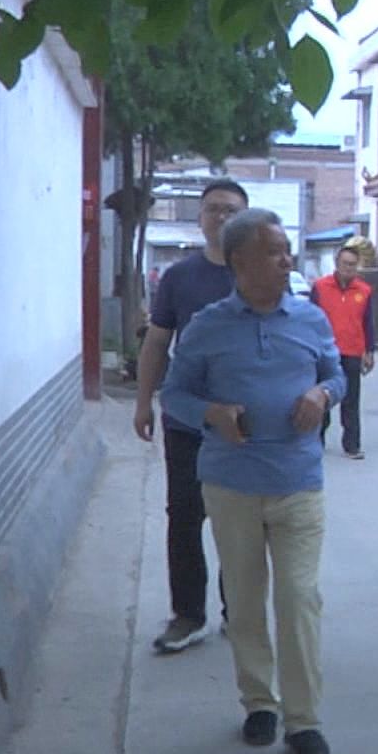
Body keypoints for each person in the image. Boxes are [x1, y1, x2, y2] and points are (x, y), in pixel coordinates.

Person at [161, 208, 345, 754]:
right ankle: (259, 702)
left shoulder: (310, 319)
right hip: (233, 484)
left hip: (298, 482)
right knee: (243, 600)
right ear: (239, 259)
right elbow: (174, 394)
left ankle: (304, 719)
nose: (287, 259)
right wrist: (211, 412)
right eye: (274, 250)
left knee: (298, 598)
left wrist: (323, 396)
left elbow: (336, 374)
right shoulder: (208, 325)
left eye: (288, 249)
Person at [132, 179, 246, 654]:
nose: (220, 217)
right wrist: (144, 402)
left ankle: (238, 612)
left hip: (245, 426)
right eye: (212, 209)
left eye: (231, 210)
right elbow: (158, 342)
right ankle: (188, 615)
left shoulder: (261, 273)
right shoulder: (180, 277)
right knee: (184, 516)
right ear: (199, 219)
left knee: (240, 522)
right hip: (188, 420)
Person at [311, 243, 376, 459]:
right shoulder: (320, 287)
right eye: (345, 263)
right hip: (324, 351)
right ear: (337, 264)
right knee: (323, 397)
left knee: (351, 399)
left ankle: (352, 445)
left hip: (352, 350)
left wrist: (369, 350)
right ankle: (316, 441)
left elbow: (368, 323)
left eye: (353, 264)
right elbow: (310, 319)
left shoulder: (364, 291)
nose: (349, 268)